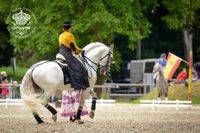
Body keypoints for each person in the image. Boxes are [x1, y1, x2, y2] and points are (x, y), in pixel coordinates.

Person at [58, 21, 89, 90]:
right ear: (70, 28)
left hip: (60, 52)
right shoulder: (70, 35)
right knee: (80, 67)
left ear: (64, 28)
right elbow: (72, 46)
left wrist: (79, 50)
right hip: (67, 54)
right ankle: (79, 85)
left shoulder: (60, 35)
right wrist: (79, 51)